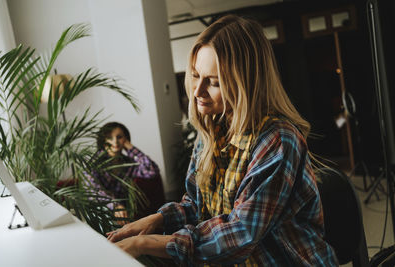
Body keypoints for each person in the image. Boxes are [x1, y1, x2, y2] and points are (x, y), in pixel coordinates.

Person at [106, 15, 338, 266]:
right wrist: (157, 219)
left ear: (245, 84)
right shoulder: (210, 132)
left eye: (213, 82)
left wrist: (146, 243)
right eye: (195, 75)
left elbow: (241, 234)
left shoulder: (278, 140)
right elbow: (197, 205)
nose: (197, 91)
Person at [85, 122, 162, 225]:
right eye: (109, 138)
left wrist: (130, 148)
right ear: (103, 141)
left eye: (119, 137)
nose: (115, 141)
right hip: (101, 212)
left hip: (125, 213)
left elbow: (152, 171)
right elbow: (93, 192)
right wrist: (115, 206)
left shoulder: (128, 163)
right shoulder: (95, 163)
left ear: (125, 139)